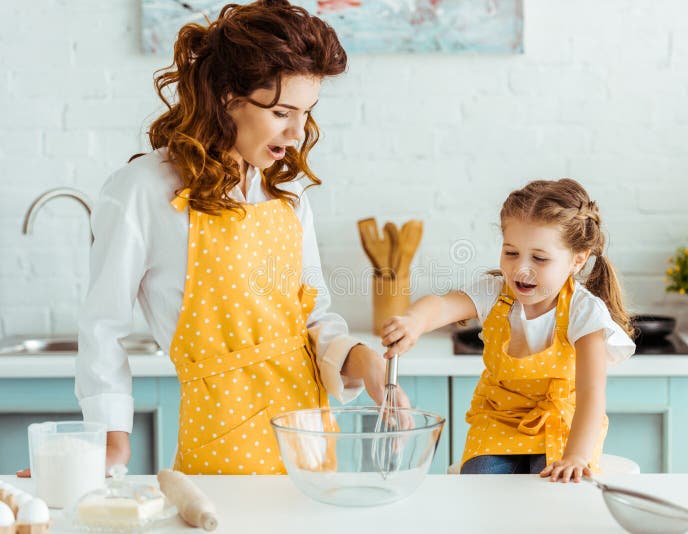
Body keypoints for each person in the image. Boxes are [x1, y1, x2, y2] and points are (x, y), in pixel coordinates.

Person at [67, 0, 404, 476]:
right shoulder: (144, 190)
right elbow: (102, 328)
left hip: (308, 437)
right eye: (282, 111)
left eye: (306, 112)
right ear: (228, 97)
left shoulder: (287, 196)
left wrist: (361, 358)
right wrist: (109, 445)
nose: (297, 131)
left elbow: (312, 319)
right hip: (223, 442)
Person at [380, 179, 634, 482]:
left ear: (576, 261)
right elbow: (442, 305)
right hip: (498, 420)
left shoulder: (584, 312)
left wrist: (576, 456)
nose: (521, 269)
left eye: (539, 258)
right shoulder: (494, 294)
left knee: (550, 489)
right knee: (482, 485)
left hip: (562, 423)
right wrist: (414, 321)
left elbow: (592, 395)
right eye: (511, 253)